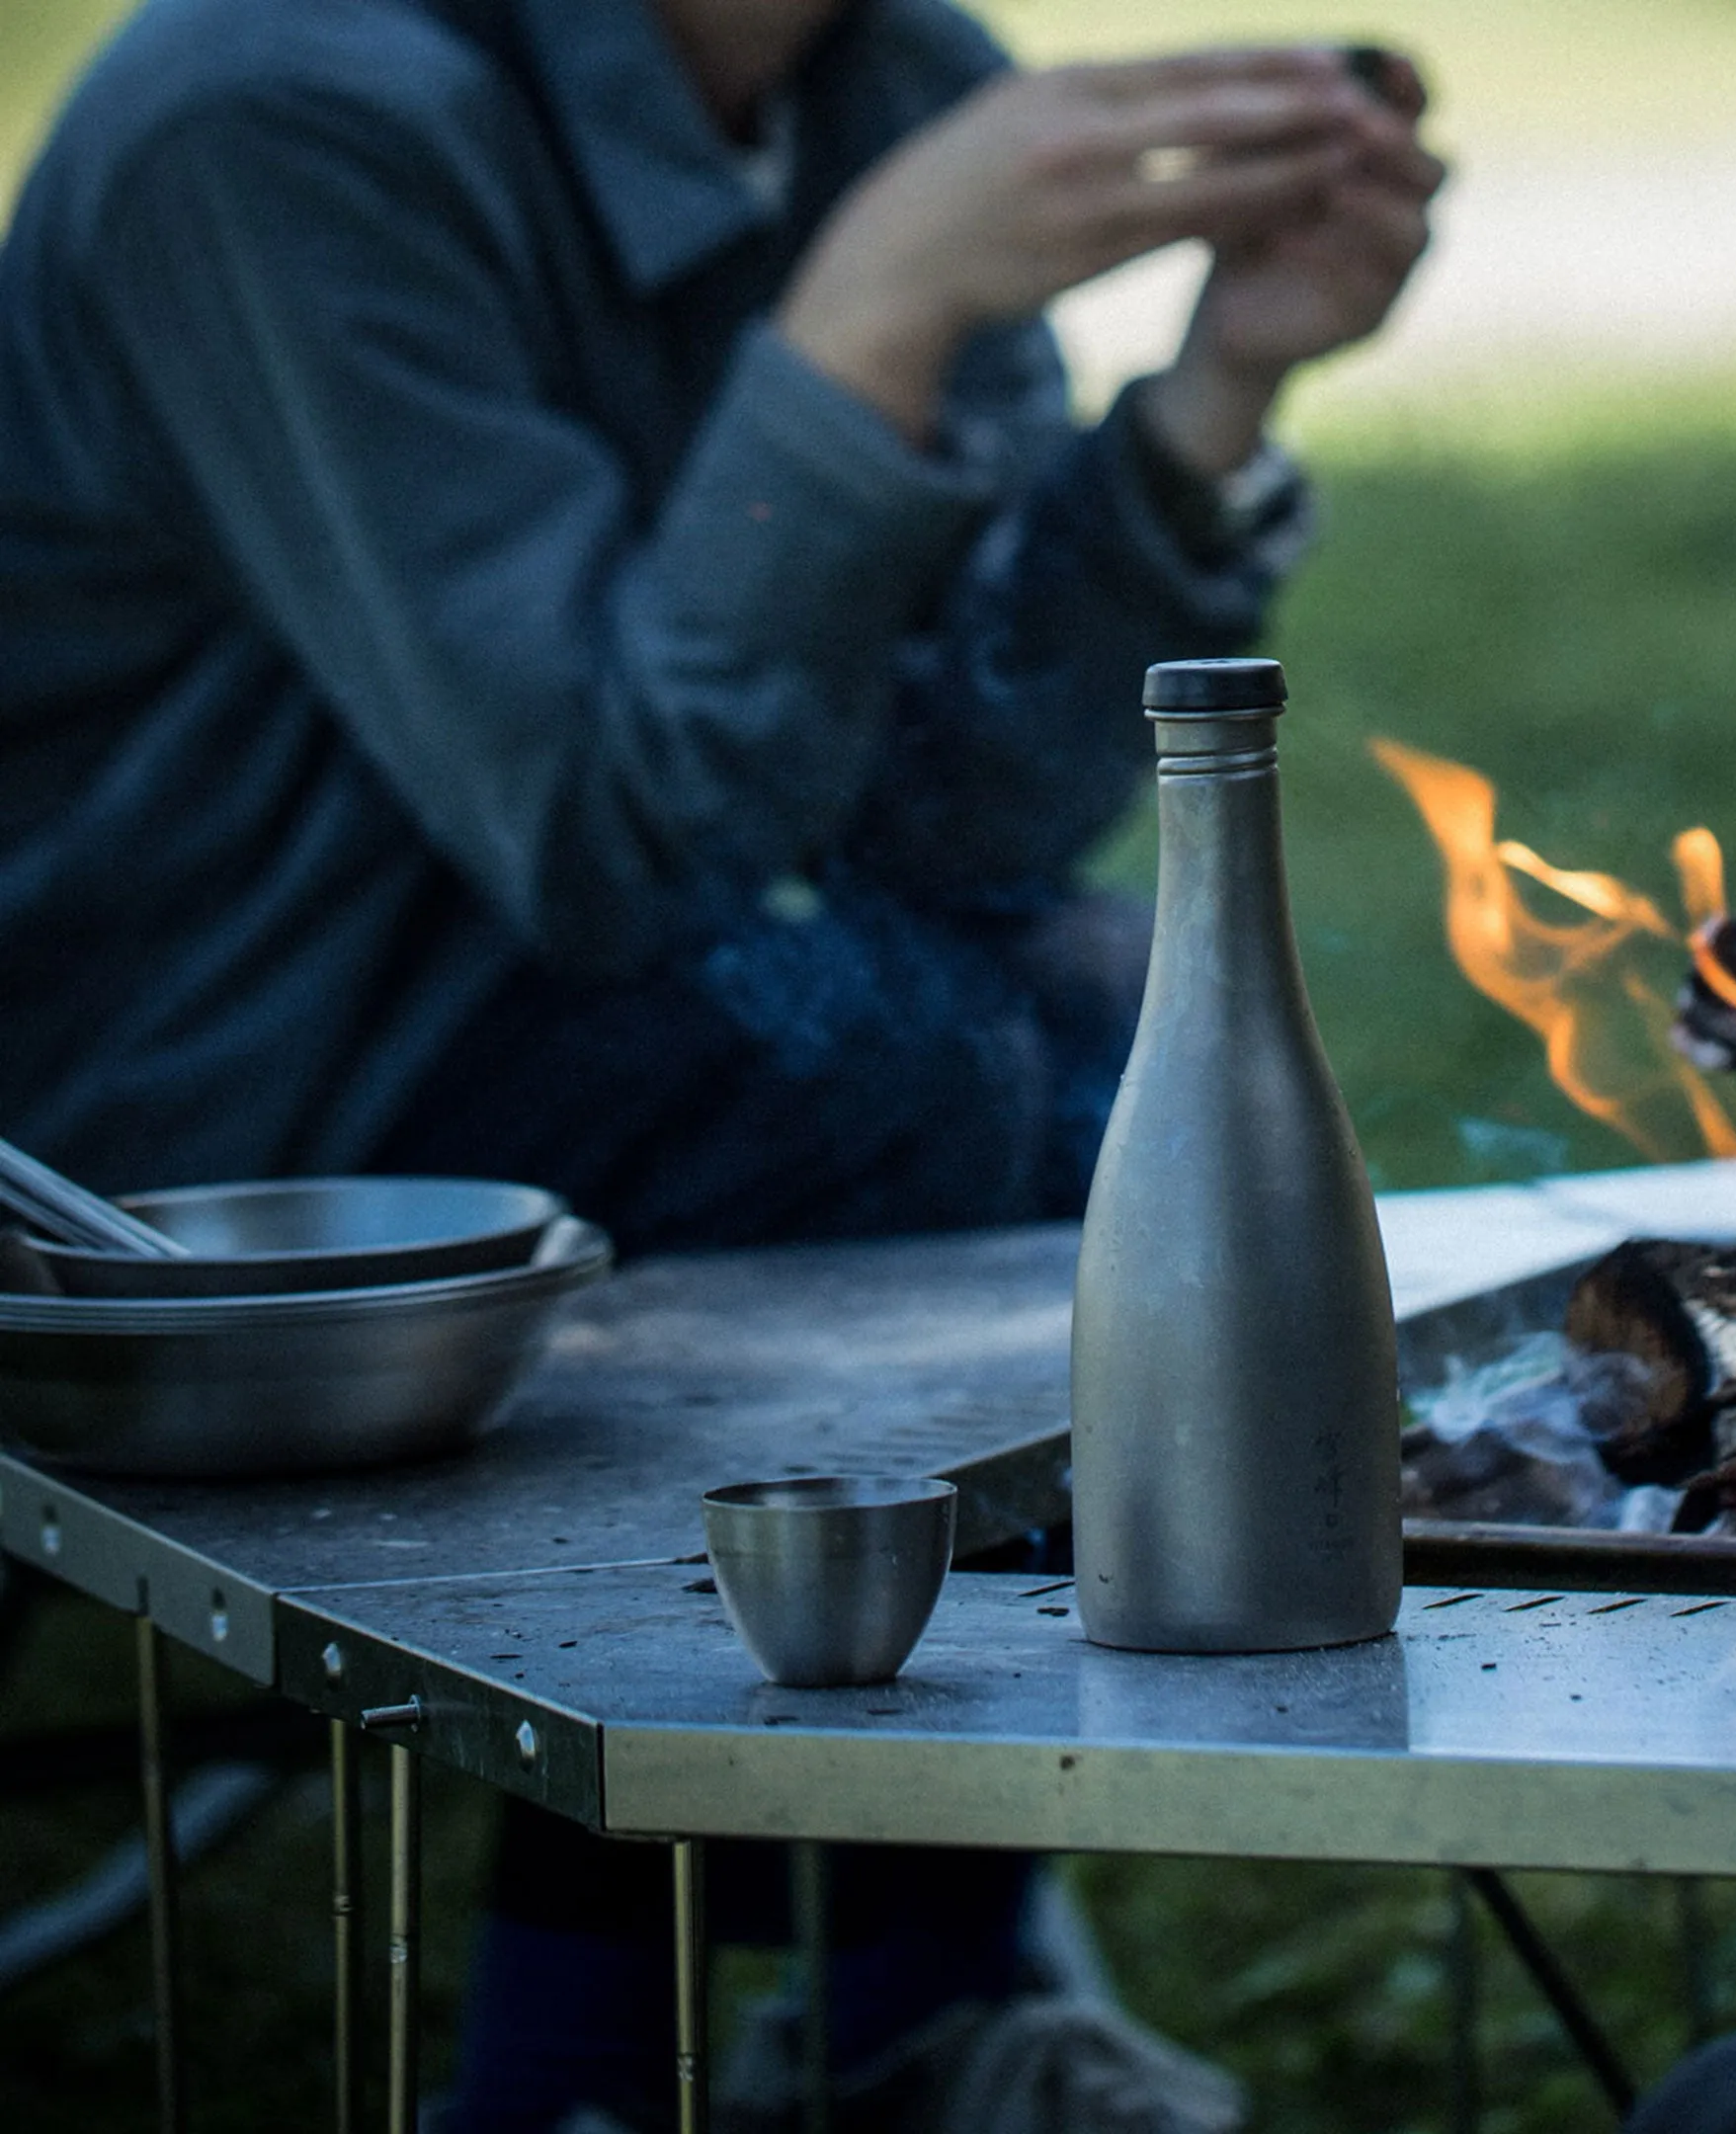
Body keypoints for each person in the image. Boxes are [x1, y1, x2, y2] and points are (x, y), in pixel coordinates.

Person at [0, 0, 1440, 2125]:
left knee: (1118, 1049)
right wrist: (875, 304)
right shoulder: (271, 119)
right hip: (189, 1109)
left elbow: (949, 816)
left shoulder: (895, 81)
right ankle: (611, 2070)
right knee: (898, 1062)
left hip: (536, 1001)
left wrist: (1216, 392)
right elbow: (619, 838)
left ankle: (912, 1992)